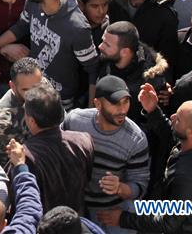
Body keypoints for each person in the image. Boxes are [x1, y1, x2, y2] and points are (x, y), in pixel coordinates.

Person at [102, 88, 192, 233]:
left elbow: (168, 223)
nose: (173, 116)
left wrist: (122, 219)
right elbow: (173, 136)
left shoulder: (188, 177)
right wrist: (153, 111)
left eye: (179, 118)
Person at [0, 0, 98, 108]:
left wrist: (90, 111)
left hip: (58, 101)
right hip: (30, 89)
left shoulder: (77, 28)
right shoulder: (33, 2)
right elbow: (21, 27)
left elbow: (92, 69)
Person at [62, 75, 149, 220]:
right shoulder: (74, 121)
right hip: (76, 208)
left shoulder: (135, 139)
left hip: (113, 213)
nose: (122, 109)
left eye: (126, 102)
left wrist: (120, 188)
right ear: (98, 104)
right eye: (115, 103)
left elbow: (140, 185)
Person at [21, 82, 95, 213]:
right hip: (76, 219)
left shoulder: (25, 157)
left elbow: (22, 199)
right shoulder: (83, 141)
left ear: (31, 121)